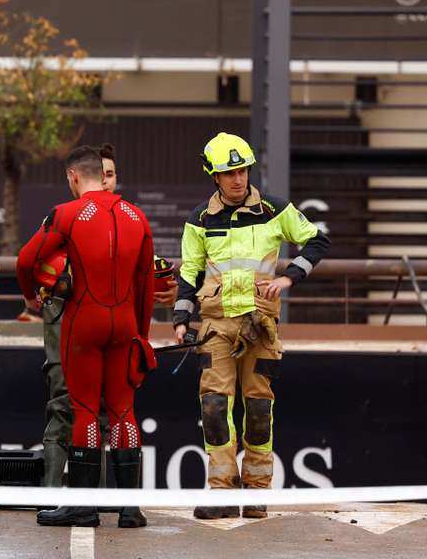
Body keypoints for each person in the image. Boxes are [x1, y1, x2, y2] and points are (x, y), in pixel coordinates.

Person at [174, 132, 330, 520]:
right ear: (214, 176)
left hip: (261, 325)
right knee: (214, 407)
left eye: (242, 170)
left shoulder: (275, 210)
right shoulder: (199, 220)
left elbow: (317, 240)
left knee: (259, 408)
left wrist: (290, 276)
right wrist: (180, 317)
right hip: (216, 326)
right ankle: (220, 494)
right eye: (229, 173)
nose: (238, 179)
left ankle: (258, 492)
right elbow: (189, 272)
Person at [18, 146, 155, 529]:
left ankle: (83, 506)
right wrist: (140, 337)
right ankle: (129, 510)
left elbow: (28, 260)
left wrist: (31, 296)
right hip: (125, 322)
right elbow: (145, 284)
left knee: (83, 411)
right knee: (124, 411)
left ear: (74, 177)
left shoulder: (67, 213)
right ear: (103, 174)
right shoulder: (137, 216)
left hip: (84, 322)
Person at [36, 143, 179, 488]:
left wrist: (167, 294)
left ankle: (98, 499)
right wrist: (49, 287)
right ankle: (55, 494)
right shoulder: (62, 216)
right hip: (66, 323)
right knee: (64, 406)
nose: (106, 180)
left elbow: (143, 280)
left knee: (111, 412)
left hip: (115, 329)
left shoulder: (129, 219)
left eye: (111, 174)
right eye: (101, 174)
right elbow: (38, 265)